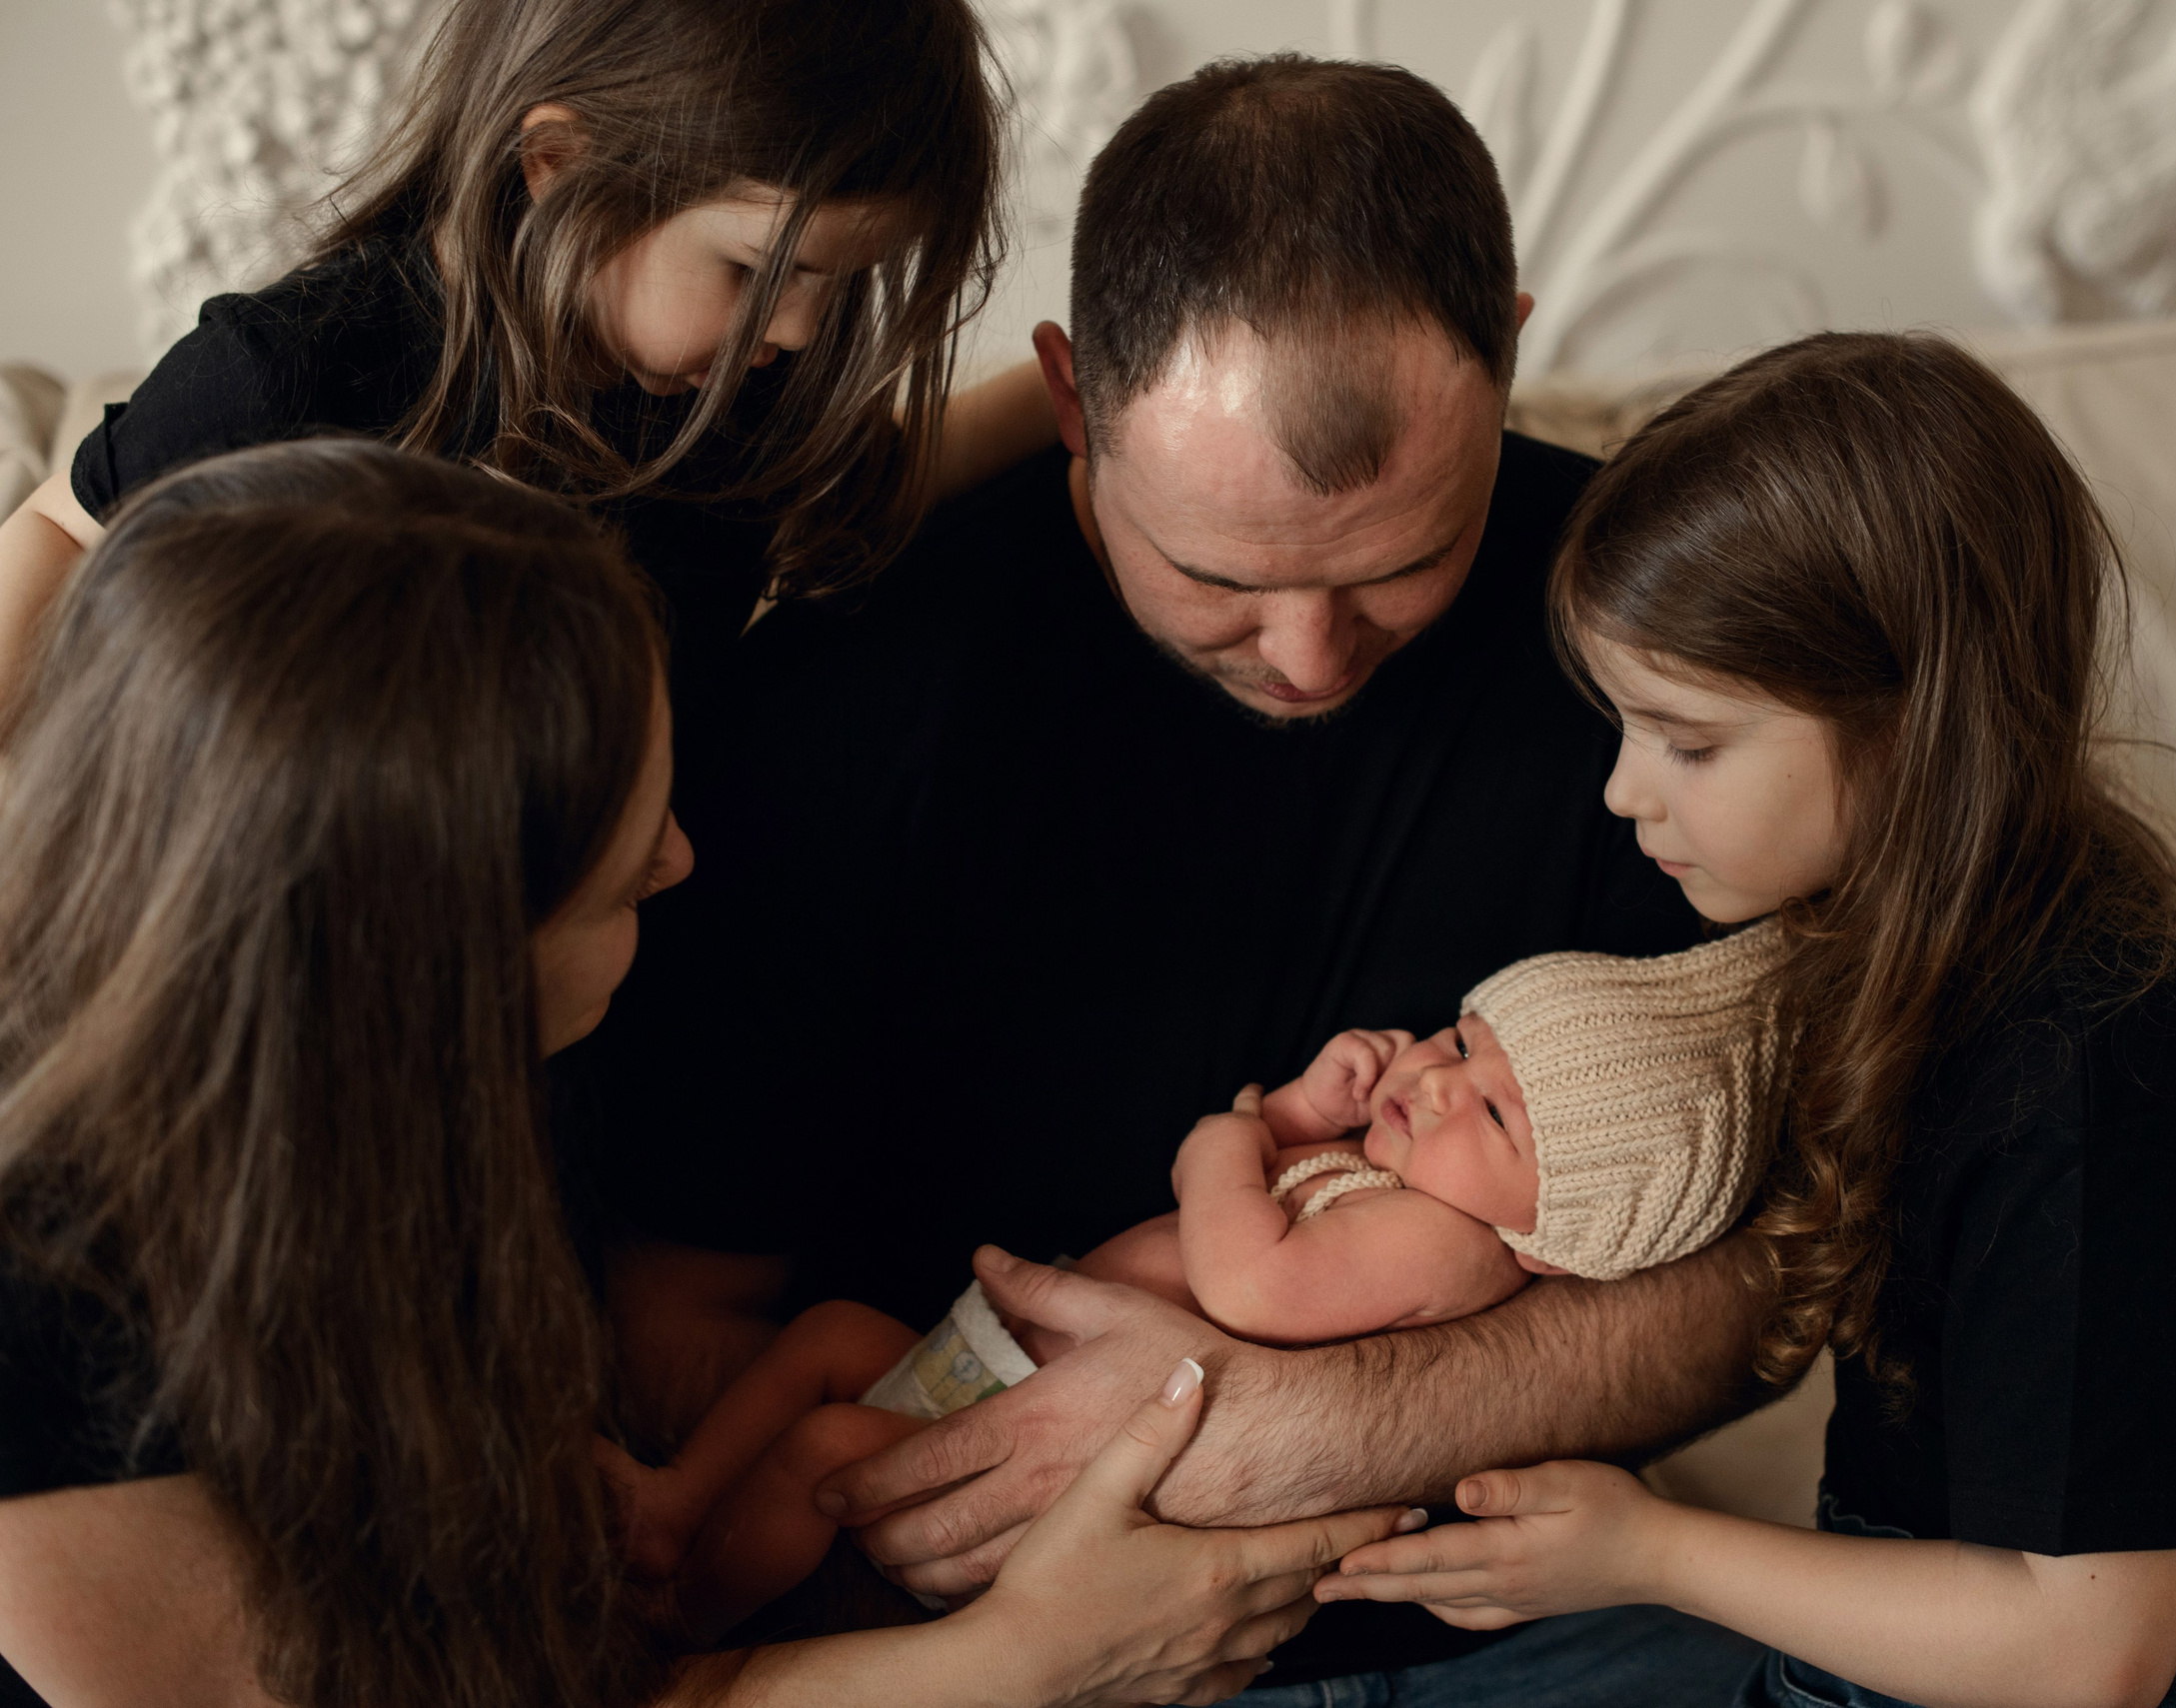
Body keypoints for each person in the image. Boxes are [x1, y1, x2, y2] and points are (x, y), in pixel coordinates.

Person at [575, 54, 1776, 1698]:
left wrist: (1301, 1422)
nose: (1310, 655)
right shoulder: (843, 695)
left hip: (1488, 1610)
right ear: (1071, 399)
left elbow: (1781, 1262)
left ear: (1506, 353)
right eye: (1216, 575)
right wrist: (991, 1549)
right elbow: (677, 1310)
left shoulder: (1665, 649)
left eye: (1405, 562)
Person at [0, 440, 1411, 1708]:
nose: (678, 858)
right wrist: (1017, 1665)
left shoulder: (368, 1125)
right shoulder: (53, 1344)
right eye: (624, 873)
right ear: (436, 961)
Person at [1315, 333, 2176, 1708]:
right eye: (1624, 725)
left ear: (1913, 727)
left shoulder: (2082, 1088)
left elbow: (2088, 1653)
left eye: (1689, 741)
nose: (1622, 791)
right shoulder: (1891, 957)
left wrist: (1645, 1550)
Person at [606, 926, 1784, 1642]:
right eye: (1465, 1040)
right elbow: (1296, 1182)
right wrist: (1307, 1110)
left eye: (1490, 1114)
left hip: (1031, 1417)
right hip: (1005, 1354)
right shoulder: (1407, 1178)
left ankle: (687, 1622)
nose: (1436, 1080)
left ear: (1548, 1243)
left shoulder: (1446, 1245)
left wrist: (1222, 1138)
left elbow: (1253, 1282)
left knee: (826, 1451)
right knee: (829, 1334)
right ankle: (674, 1501)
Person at [0, 0, 1052, 737]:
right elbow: (65, 530)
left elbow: (877, 479)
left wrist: (1069, 385)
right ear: (561, 164)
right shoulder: (302, 368)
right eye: (757, 272)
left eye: (840, 283)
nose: (800, 331)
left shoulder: (739, 396)